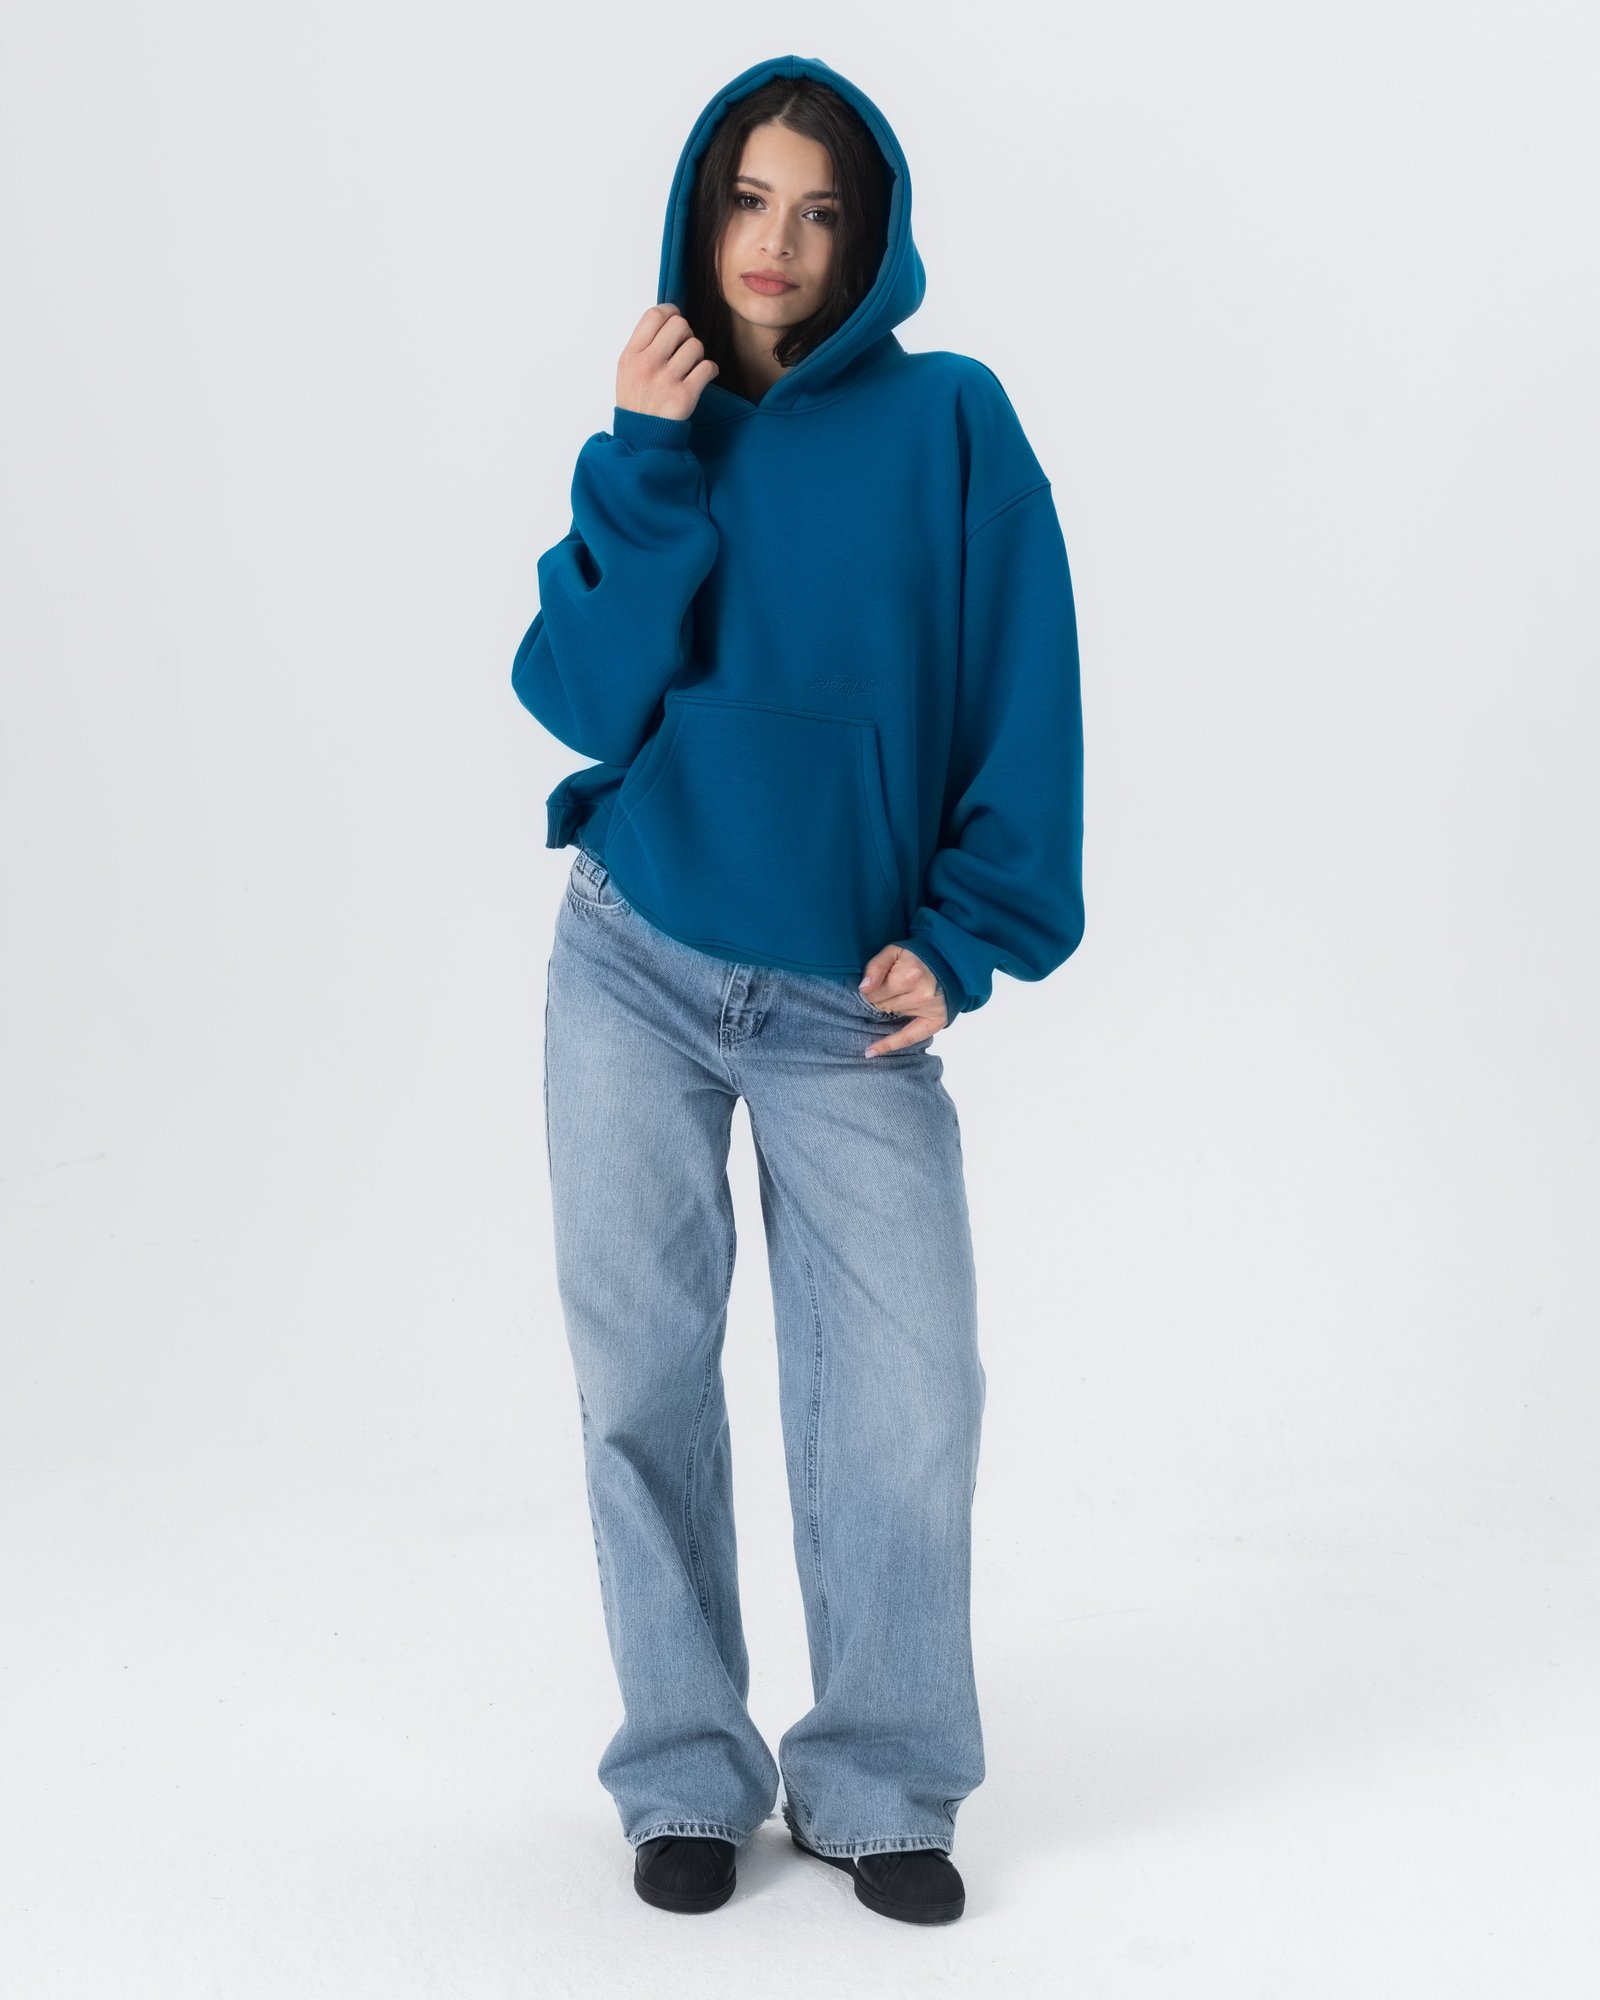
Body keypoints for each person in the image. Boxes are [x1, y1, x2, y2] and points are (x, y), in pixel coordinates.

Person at [511, 53, 1084, 1925]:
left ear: (868, 239)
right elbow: (576, 698)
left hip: (849, 1005)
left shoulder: (951, 422)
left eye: (820, 212)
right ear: (705, 214)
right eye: (750, 201)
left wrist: (968, 928)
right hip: (635, 958)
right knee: (640, 1376)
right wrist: (641, 455)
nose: (779, 242)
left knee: (910, 1392)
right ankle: (683, 1771)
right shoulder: (656, 430)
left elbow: (1025, 690)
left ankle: (880, 1782)